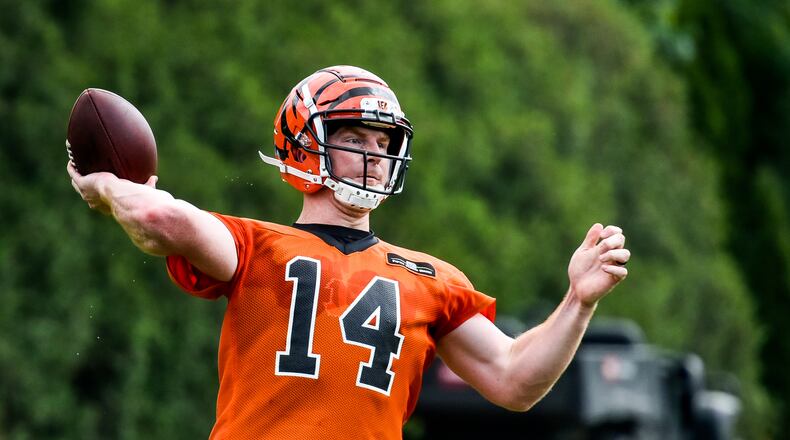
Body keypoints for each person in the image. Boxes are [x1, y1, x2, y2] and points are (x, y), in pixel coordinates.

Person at [68, 65, 630, 440]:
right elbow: (156, 217)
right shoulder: (257, 246)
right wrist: (107, 187)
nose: (374, 156)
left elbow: (515, 380)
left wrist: (577, 301)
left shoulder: (430, 279)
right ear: (305, 144)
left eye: (383, 144)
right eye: (355, 138)